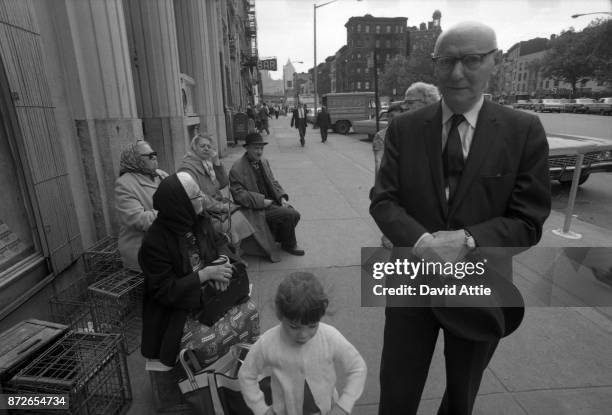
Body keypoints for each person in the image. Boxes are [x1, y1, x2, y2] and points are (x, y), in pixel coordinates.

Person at [370, 21, 551, 415]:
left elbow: (528, 221)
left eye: (471, 60)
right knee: (397, 386)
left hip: (482, 285)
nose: (457, 73)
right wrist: (423, 243)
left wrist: (467, 239)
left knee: (462, 392)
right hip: (411, 280)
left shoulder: (524, 130)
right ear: (434, 66)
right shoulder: (404, 128)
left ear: (494, 62)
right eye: (447, 61)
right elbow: (383, 201)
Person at [139, 172, 238, 368]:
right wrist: (205, 275)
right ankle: (205, 386)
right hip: (177, 310)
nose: (202, 198)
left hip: (210, 294)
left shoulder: (198, 219)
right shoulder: (154, 242)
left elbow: (219, 242)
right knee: (211, 339)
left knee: (249, 311)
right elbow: (164, 291)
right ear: (180, 204)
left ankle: (234, 369)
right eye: (196, 196)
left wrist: (222, 261)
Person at [239, 272, 367, 415]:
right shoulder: (267, 343)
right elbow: (246, 375)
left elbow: (357, 368)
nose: (303, 335)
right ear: (281, 315)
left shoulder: (329, 337)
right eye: (294, 326)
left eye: (312, 325)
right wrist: (261, 409)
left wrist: (344, 405)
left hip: (327, 409)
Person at [229, 132, 304, 261]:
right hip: (255, 208)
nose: (259, 152)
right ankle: (289, 244)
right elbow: (238, 195)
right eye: (255, 148)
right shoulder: (237, 168)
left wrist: (281, 197)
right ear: (247, 148)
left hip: (271, 202)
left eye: (261, 148)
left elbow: (273, 181)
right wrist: (261, 201)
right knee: (291, 214)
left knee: (291, 212)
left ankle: (280, 238)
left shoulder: (263, 161)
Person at [178, 133, 255, 246]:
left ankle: (235, 250)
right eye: (202, 146)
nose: (206, 148)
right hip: (203, 212)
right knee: (230, 224)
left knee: (242, 213)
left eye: (209, 146)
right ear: (194, 147)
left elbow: (223, 183)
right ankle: (231, 254)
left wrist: (216, 161)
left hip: (215, 205)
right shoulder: (188, 168)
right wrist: (220, 207)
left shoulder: (206, 164)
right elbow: (197, 197)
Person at [115, 140, 169, 271]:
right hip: (142, 249)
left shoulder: (161, 175)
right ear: (135, 160)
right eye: (150, 155)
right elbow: (138, 219)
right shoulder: (124, 184)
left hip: (166, 243)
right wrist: (171, 212)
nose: (154, 157)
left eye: (154, 153)